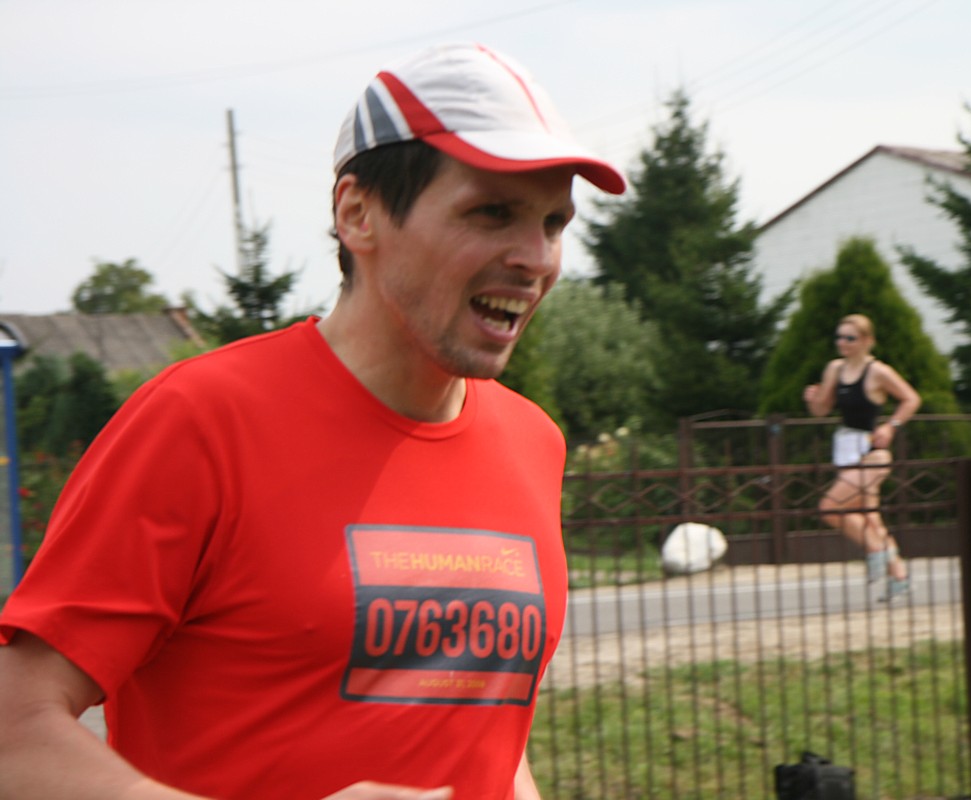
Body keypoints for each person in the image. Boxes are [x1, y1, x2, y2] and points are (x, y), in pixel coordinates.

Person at [0, 42, 625, 800]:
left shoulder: (533, 442)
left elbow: (489, 745)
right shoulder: (200, 420)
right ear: (357, 214)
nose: (536, 258)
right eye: (492, 212)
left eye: (553, 223)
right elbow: (14, 732)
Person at [803, 314, 921, 602]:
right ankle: (899, 577)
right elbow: (821, 411)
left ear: (867, 340)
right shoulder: (835, 368)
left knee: (830, 507)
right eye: (839, 337)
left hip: (871, 452)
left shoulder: (878, 371)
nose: (842, 343)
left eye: (850, 338)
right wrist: (812, 400)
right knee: (871, 519)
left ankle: (875, 550)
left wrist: (891, 427)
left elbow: (911, 399)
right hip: (845, 449)